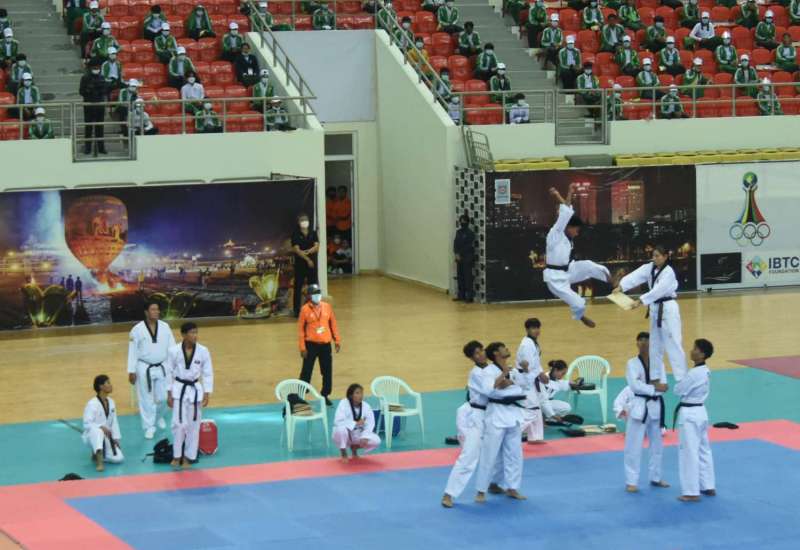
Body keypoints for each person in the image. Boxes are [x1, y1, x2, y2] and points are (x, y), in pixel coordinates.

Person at [614, 245, 688, 382]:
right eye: (653, 256)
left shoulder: (668, 273)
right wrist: (621, 286)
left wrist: (640, 301)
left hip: (668, 309)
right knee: (654, 346)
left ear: (665, 257)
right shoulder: (649, 268)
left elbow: (658, 291)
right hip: (655, 309)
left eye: (657, 256)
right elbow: (636, 276)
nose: (654, 258)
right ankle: (655, 378)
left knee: (673, 344)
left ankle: (682, 378)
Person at [544, 184, 613, 327]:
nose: (577, 233)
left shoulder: (567, 237)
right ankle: (580, 316)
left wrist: (559, 194)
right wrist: (565, 192)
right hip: (555, 278)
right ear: (568, 227)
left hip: (568, 269)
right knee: (579, 303)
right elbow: (565, 213)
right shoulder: (555, 234)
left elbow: (567, 211)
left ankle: (612, 282)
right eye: (576, 229)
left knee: (589, 265)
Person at [473, 342, 531, 503]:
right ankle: (481, 490)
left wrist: (524, 371)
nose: (507, 349)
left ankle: (512, 487)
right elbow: (488, 391)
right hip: (496, 415)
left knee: (514, 454)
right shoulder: (488, 371)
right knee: (489, 454)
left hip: (513, 414)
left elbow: (525, 385)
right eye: (503, 348)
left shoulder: (513, 370)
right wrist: (502, 378)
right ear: (496, 353)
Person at [442, 341, 496, 508]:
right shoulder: (475, 373)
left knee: (492, 454)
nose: (481, 355)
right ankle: (449, 494)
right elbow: (489, 391)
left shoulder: (493, 369)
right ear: (471, 358)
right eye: (476, 354)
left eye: (481, 351)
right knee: (469, 455)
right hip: (477, 415)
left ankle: (485, 490)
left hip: (494, 414)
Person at [623, 332, 669, 492]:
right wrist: (654, 388)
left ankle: (656, 477)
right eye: (640, 340)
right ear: (637, 343)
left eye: (646, 340)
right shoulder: (632, 363)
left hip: (655, 407)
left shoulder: (659, 363)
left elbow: (664, 386)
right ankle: (631, 481)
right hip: (639, 406)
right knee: (633, 446)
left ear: (651, 343)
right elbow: (634, 386)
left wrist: (655, 388)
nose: (643, 343)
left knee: (657, 446)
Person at [165, 322, 214, 469]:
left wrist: (207, 392)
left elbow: (208, 373)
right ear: (183, 335)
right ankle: (177, 455)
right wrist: (169, 393)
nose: (195, 336)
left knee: (193, 425)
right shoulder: (173, 351)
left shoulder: (203, 351)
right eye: (192, 333)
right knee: (178, 424)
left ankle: (189, 456)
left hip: (195, 390)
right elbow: (168, 372)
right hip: (179, 389)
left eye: (196, 332)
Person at [127, 301, 176, 439]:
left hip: (162, 366)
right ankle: (149, 427)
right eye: (153, 309)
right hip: (144, 367)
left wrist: (174, 366)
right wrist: (131, 370)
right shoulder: (137, 329)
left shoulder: (165, 327)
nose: (156, 312)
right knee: (146, 399)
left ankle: (158, 417)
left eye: (157, 309)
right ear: (146, 312)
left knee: (164, 397)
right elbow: (132, 351)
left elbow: (172, 348)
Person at [675, 338, 716, 502]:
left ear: (702, 354)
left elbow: (678, 390)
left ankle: (691, 492)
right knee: (704, 450)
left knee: (689, 452)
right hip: (701, 412)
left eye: (695, 349)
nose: (692, 351)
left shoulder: (694, 374)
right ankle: (708, 485)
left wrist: (681, 379)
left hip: (690, 415)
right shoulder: (705, 370)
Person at [298, 283, 341, 405]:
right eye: (315, 294)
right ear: (309, 296)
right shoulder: (305, 310)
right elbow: (301, 330)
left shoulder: (327, 307)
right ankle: (301, 395)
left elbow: (333, 324)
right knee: (306, 371)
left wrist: (337, 340)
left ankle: (325, 394)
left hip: (325, 345)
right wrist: (302, 347)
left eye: (318, 293)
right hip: (310, 345)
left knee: (327, 371)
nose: (317, 295)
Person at [514, 318, 548, 443]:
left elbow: (536, 363)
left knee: (536, 408)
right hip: (525, 379)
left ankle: (535, 437)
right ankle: (511, 434)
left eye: (538, 328)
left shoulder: (532, 342)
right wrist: (539, 374)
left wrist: (541, 373)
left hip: (531, 377)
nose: (537, 330)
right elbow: (528, 366)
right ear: (527, 329)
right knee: (532, 409)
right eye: (533, 328)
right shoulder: (527, 345)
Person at [82, 375, 124, 472]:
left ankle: (98, 453)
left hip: (106, 437)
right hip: (91, 435)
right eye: (108, 383)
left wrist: (116, 438)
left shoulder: (111, 402)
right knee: (98, 431)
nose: (111, 385)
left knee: (119, 458)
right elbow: (87, 423)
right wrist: (100, 427)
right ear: (101, 386)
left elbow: (114, 422)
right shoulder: (92, 404)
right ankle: (99, 460)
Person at [332, 383, 380, 461]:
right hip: (346, 434)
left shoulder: (366, 406)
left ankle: (355, 448)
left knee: (376, 440)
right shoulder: (343, 403)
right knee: (341, 430)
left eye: (361, 393)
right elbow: (338, 421)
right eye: (357, 393)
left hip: (358, 433)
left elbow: (370, 423)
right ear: (351, 395)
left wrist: (365, 436)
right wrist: (355, 423)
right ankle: (343, 452)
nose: (360, 395)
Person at [291, 213, 320, 316]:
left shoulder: (313, 233)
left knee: (314, 287)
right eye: (302, 220)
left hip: (312, 264)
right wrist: (307, 259)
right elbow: (296, 250)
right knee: (298, 287)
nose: (305, 222)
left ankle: (315, 308)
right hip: (300, 265)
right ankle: (297, 311)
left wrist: (308, 251)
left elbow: (317, 246)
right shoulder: (295, 234)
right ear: (299, 222)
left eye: (306, 219)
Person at [79, 58, 109, 155]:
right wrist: (89, 89)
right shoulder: (85, 78)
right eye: (94, 68)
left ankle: (101, 148)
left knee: (100, 127)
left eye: (98, 68)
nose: (96, 69)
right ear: (91, 68)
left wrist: (100, 90)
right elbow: (81, 92)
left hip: (99, 105)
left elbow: (105, 91)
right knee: (88, 127)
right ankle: (87, 148)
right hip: (89, 105)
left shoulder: (102, 78)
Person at [453, 213, 475, 302]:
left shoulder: (470, 233)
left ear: (467, 222)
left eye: (464, 221)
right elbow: (455, 243)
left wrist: (460, 253)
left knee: (467, 278)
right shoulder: (458, 232)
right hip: (459, 258)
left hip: (467, 257)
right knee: (460, 277)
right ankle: (461, 295)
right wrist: (456, 253)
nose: (462, 223)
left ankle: (469, 297)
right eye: (461, 221)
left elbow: (468, 246)